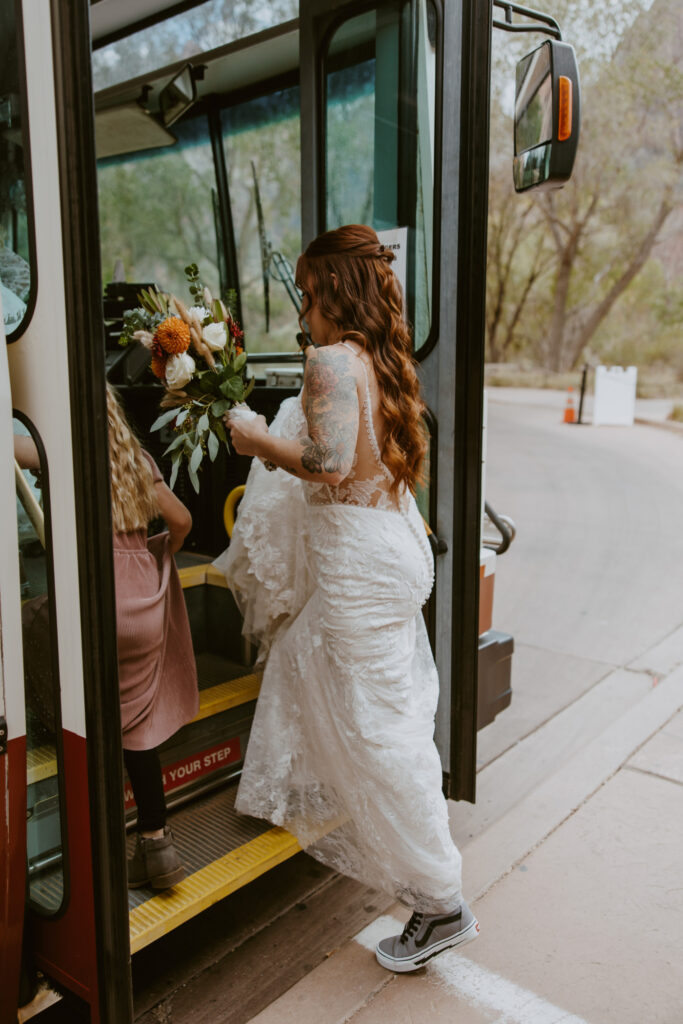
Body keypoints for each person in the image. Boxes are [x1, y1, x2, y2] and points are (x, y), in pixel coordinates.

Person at [214, 224, 478, 972]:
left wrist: (254, 435)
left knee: (379, 733)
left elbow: (326, 464)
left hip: (360, 564)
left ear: (333, 290)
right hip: (390, 547)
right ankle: (306, 783)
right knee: (307, 665)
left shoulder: (330, 360)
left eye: (307, 291)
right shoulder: (380, 360)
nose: (303, 307)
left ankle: (439, 901)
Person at [107, 384, 199, 889]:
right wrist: (158, 548)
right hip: (142, 599)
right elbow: (182, 519)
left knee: (94, 724)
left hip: (98, 596)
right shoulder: (134, 457)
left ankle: (97, 841)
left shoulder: (62, 449)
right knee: (136, 734)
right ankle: (157, 846)